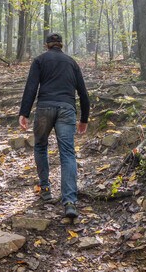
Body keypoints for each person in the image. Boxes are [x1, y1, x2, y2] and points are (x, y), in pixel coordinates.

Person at [19, 32, 90, 220]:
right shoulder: (72, 63)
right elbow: (83, 92)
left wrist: (24, 113)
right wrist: (84, 118)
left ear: (47, 45)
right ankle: (69, 202)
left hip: (44, 108)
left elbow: (31, 87)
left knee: (41, 146)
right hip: (67, 109)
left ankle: (45, 189)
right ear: (61, 45)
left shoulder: (40, 60)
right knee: (67, 153)